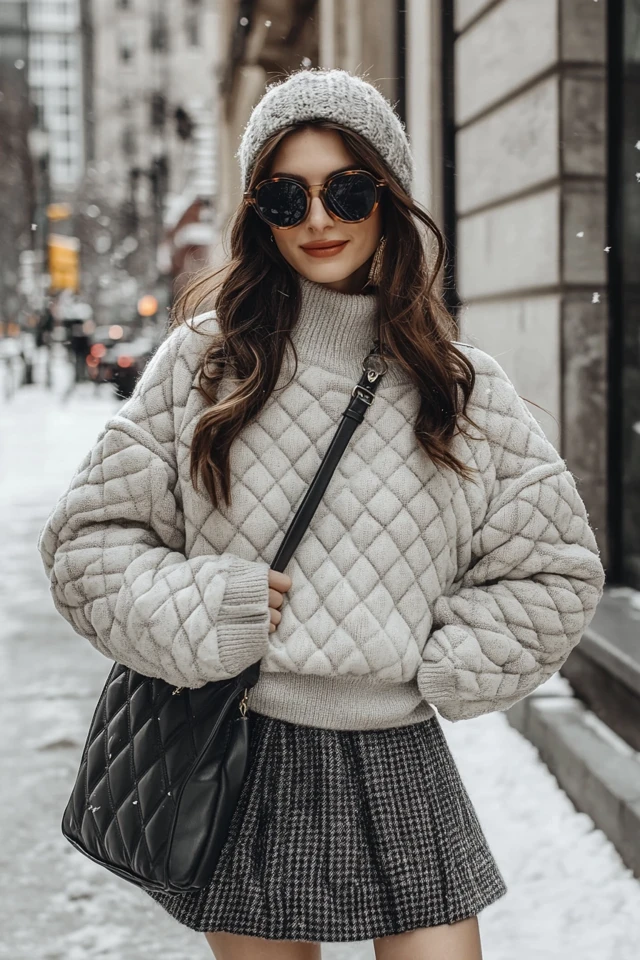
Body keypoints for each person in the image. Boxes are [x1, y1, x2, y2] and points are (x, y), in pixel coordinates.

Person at [38, 69, 605, 960]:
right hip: (245, 748)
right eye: (283, 194)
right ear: (257, 210)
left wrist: (453, 658)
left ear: (388, 197)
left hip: (401, 757)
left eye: (346, 188)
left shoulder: (463, 387)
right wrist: (207, 608)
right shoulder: (204, 365)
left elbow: (556, 568)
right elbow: (85, 544)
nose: (317, 218)